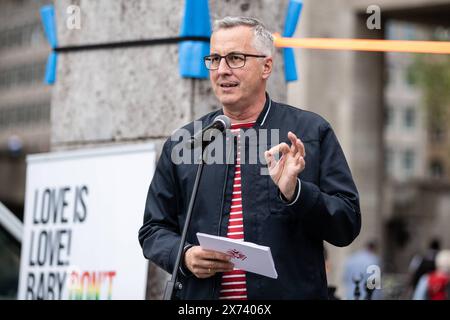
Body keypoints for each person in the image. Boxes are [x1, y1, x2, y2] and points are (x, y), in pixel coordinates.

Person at [138, 16, 361, 300]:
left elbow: (347, 224)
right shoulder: (187, 143)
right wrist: (184, 256)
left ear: (266, 65)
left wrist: (297, 193)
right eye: (215, 59)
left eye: (235, 58)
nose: (221, 70)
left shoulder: (309, 133)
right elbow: (153, 229)